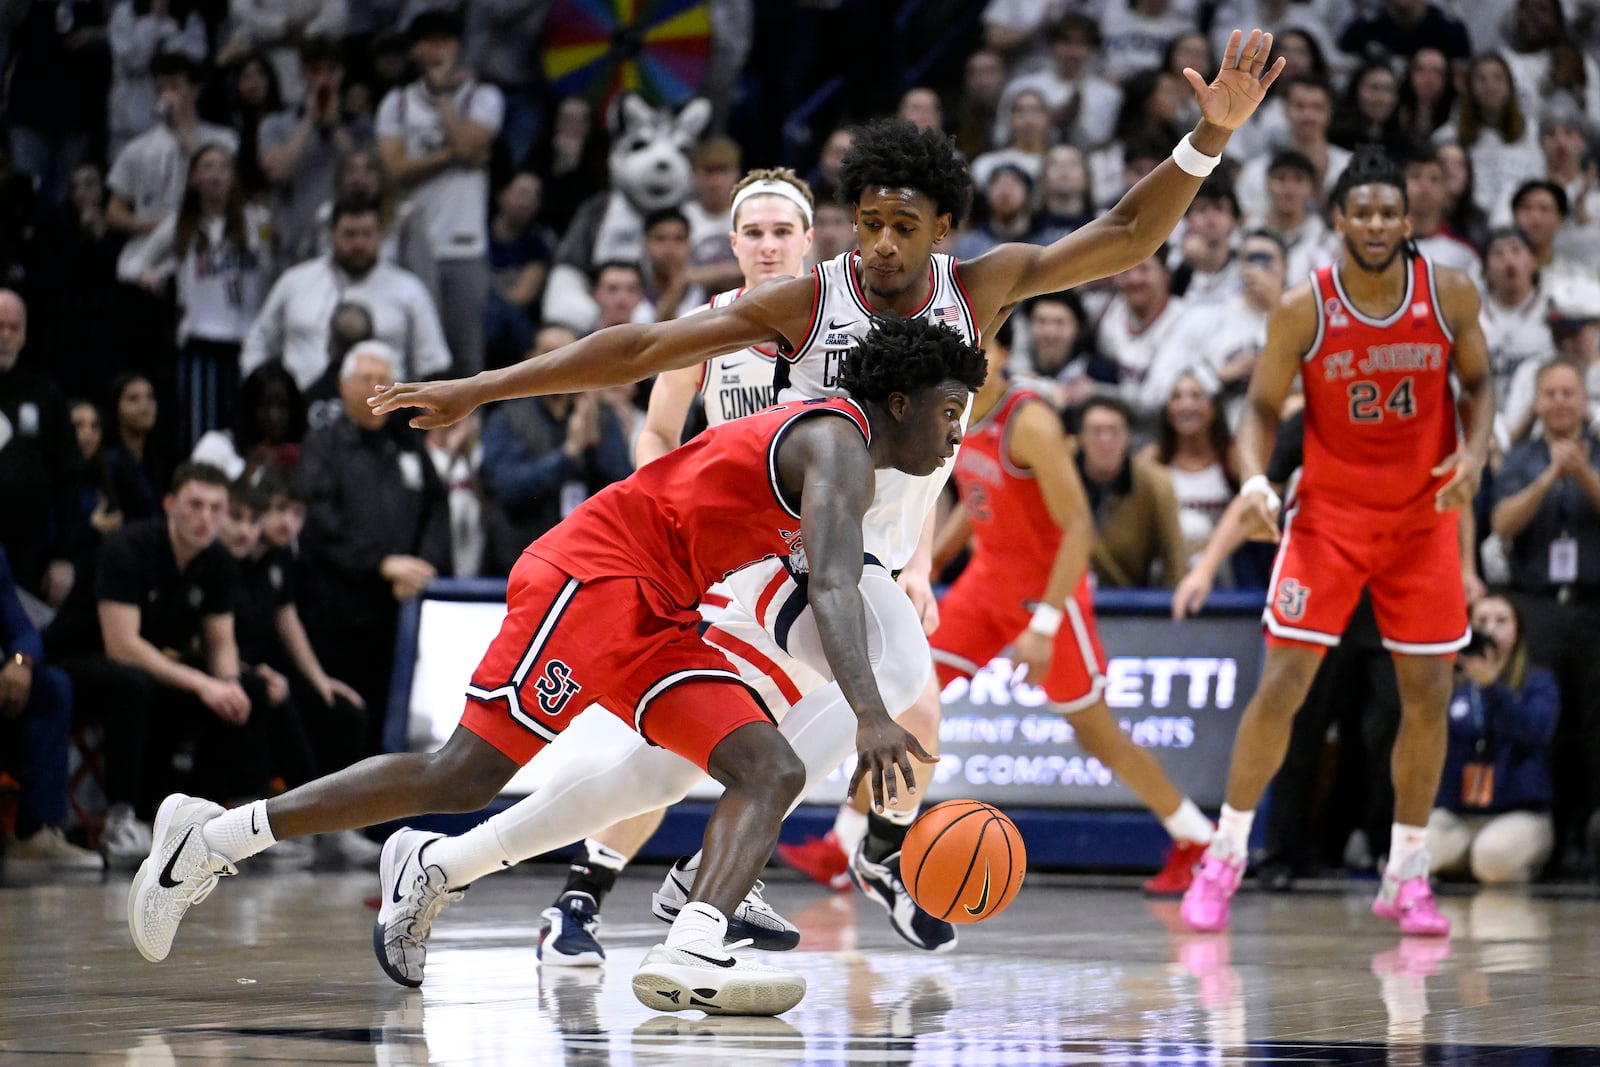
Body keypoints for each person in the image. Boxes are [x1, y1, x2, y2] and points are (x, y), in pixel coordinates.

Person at [364, 28, 1281, 964]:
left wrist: (1204, 141)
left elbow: (1126, 236)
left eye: (903, 226)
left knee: (684, 763)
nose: (882, 244)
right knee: (885, 689)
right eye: (869, 222)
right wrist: (478, 387)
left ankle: (451, 864)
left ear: (942, 229)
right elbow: (639, 350)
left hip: (861, 567)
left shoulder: (982, 287)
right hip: (777, 561)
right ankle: (744, 883)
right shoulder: (810, 299)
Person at [127, 315, 986, 1020]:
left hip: (665, 609)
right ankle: (207, 839)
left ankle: (692, 941)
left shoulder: (848, 449)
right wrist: (872, 714)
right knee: (462, 775)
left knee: (769, 765)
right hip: (597, 575)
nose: (955, 433)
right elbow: (834, 587)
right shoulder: (838, 442)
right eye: (951, 411)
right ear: (901, 399)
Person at [1179, 145, 1496, 937]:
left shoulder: (1450, 294)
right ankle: (1224, 855)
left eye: (1392, 211)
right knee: (1283, 684)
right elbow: (1257, 411)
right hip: (1329, 520)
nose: (1380, 223)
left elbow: (1482, 384)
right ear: (1340, 220)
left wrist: (1476, 452)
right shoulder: (1303, 308)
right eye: (1365, 211)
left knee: (1427, 697)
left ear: (1407, 218)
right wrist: (1255, 479)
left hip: (1424, 521)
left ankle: (1407, 872)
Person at [533, 167, 824, 961]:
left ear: (809, 240)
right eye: (754, 234)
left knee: (835, 720)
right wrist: (667, 506)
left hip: (811, 561)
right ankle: (584, 899)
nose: (768, 246)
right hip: (726, 562)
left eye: (781, 232)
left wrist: (912, 568)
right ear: (733, 245)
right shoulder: (706, 326)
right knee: (683, 750)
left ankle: (713, 872)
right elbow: (656, 433)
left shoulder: (845, 328)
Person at [930, 321, 1216, 895]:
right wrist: (930, 565)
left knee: (1096, 734)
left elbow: (1080, 526)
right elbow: (976, 495)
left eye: (977, 345)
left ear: (1004, 353)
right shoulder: (955, 413)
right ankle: (849, 842)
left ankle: (1199, 840)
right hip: (986, 583)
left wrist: (1043, 624)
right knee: (911, 701)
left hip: (1045, 593)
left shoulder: (1029, 420)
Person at [1428, 592, 1559, 885]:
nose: (1491, 629)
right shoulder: (1452, 684)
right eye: (1482, 620)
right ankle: (1463, 861)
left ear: (1518, 630)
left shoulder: (1538, 682)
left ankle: (1487, 863)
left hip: (1519, 813)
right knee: (1420, 854)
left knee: (1492, 858)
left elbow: (1534, 732)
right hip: (1460, 814)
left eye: (1502, 621)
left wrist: (1493, 688)